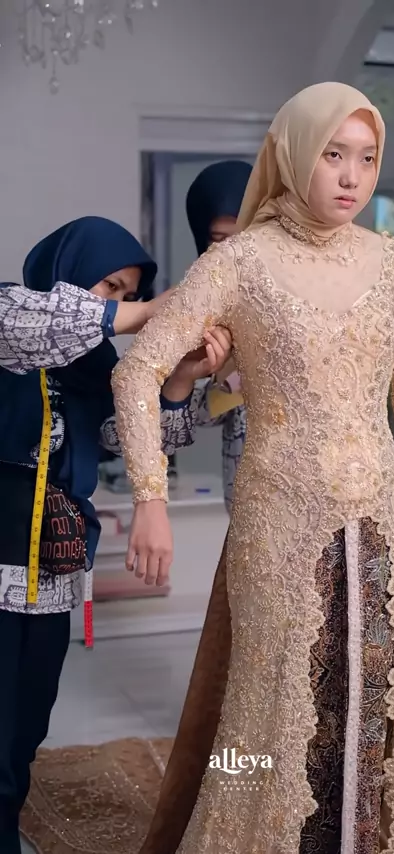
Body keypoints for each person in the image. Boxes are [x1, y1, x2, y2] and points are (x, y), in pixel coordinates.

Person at [112, 84, 394, 854]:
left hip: (379, 519)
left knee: (374, 699)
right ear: (295, 154)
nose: (351, 176)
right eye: (333, 154)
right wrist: (150, 497)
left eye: (366, 158)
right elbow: (137, 371)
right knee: (268, 711)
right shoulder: (241, 261)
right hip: (277, 526)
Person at [0, 216, 230, 854]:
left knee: (27, 722)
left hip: (51, 567)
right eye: (111, 286)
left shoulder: (98, 368)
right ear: (68, 272)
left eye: (131, 293)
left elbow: (132, 444)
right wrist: (157, 311)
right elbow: (41, 323)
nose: (122, 302)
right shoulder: (12, 313)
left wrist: (178, 378)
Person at [162, 160, 251, 512]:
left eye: (246, 236)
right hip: (249, 513)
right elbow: (201, 416)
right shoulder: (207, 311)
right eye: (219, 240)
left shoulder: (315, 298)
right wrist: (191, 376)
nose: (233, 252)